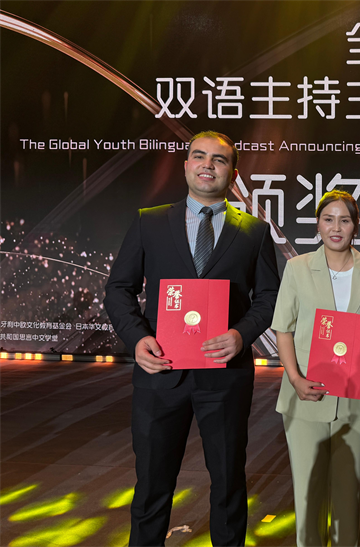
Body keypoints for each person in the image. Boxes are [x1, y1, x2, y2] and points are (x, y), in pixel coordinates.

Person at [104, 131, 280, 547]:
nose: (207, 165)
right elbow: (118, 289)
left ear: (232, 174)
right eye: (199, 156)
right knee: (152, 484)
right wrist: (137, 340)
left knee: (229, 483)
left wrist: (241, 335)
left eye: (219, 160)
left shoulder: (254, 231)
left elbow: (270, 297)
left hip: (225, 376)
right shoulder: (149, 221)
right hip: (160, 372)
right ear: (186, 166)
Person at [271, 190, 360, 547]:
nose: (336, 228)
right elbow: (283, 328)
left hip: (356, 396)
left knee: (349, 496)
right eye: (328, 219)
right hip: (306, 394)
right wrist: (295, 378)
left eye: (344, 220)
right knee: (309, 495)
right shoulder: (298, 268)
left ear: (356, 226)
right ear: (318, 225)